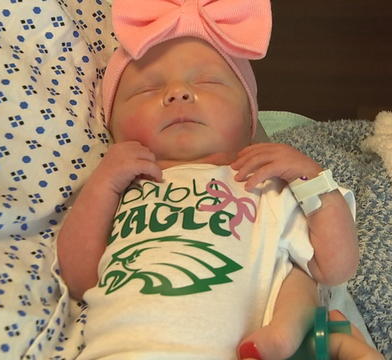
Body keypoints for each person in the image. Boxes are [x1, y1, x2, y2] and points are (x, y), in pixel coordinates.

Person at [57, 0, 364, 359]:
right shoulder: (122, 189)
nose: (177, 93)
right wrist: (102, 184)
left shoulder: (264, 183)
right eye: (146, 89)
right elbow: (79, 278)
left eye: (207, 81)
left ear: (249, 118)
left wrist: (310, 177)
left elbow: (335, 266)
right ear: (113, 128)